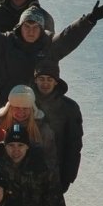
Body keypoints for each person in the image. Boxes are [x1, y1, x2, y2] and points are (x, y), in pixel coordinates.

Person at [32, 59, 83, 193]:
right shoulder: (26, 104)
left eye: (49, 79)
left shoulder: (70, 108)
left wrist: (68, 176)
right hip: (28, 174)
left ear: (56, 81)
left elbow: (74, 144)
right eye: (41, 79)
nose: (45, 83)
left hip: (56, 174)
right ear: (35, 80)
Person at [0, 85, 57, 176]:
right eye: (16, 107)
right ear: (9, 107)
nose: (21, 112)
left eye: (25, 108)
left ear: (32, 109)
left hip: (32, 181)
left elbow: (50, 159)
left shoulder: (43, 130)